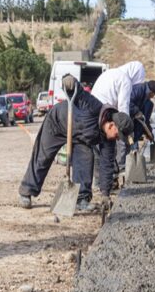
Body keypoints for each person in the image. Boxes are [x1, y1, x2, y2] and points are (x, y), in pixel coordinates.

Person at [18, 75, 129, 212]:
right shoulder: (93, 106)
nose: (117, 139)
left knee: (86, 158)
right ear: (112, 125)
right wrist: (71, 82)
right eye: (118, 135)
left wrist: (105, 194)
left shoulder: (108, 140)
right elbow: (79, 93)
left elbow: (106, 165)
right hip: (57, 123)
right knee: (43, 157)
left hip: (79, 138)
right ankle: (26, 191)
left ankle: (81, 199)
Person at [91, 61, 147, 176]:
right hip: (104, 113)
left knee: (97, 149)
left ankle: (100, 180)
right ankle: (113, 174)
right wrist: (127, 129)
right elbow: (123, 107)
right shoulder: (124, 80)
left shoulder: (111, 72)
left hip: (95, 112)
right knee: (109, 147)